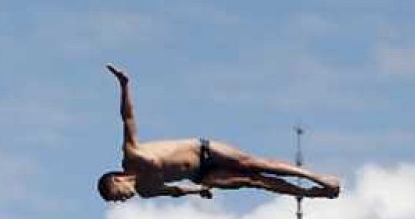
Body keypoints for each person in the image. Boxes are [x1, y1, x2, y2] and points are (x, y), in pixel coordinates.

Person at [98, 64, 342, 202]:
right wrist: (199, 190)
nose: (122, 200)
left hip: (203, 151)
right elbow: (175, 191)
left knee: (253, 163)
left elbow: (127, 118)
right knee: (252, 181)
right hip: (201, 175)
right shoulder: (146, 191)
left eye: (117, 196)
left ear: (116, 180)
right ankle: (309, 194)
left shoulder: (132, 155)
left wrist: (124, 86)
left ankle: (317, 178)